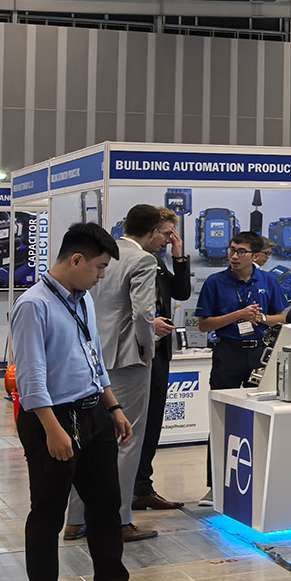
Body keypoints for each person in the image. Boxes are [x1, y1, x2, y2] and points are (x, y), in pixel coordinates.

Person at [11, 222, 168, 581]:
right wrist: (52, 428)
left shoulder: (82, 300)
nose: (101, 276)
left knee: (105, 507)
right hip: (52, 419)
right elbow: (31, 375)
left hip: (93, 412)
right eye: (98, 268)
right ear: (76, 259)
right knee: (47, 514)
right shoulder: (34, 305)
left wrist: (112, 406)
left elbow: (93, 356)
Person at [64, 205, 167, 544]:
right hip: (126, 359)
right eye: (163, 233)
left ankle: (75, 520)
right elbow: (143, 313)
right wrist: (147, 350)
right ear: (152, 231)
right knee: (126, 440)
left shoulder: (101, 252)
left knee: (88, 439)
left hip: (90, 353)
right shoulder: (143, 260)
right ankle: (118, 520)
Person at [194, 231, 289, 498]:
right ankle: (215, 486)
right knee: (221, 417)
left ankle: (259, 482)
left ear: (255, 256)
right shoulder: (215, 282)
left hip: (258, 353)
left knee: (260, 415)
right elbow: (203, 325)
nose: (234, 256)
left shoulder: (267, 281)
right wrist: (238, 315)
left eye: (241, 252)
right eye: (232, 250)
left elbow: (281, 317)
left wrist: (261, 319)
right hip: (228, 353)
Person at [133, 209, 191, 513]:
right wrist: (146, 326)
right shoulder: (127, 261)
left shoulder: (157, 262)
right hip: (135, 355)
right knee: (133, 426)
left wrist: (178, 258)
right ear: (152, 230)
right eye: (167, 234)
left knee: (154, 421)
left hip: (159, 353)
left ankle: (142, 487)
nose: (170, 240)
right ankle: (127, 491)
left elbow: (181, 292)